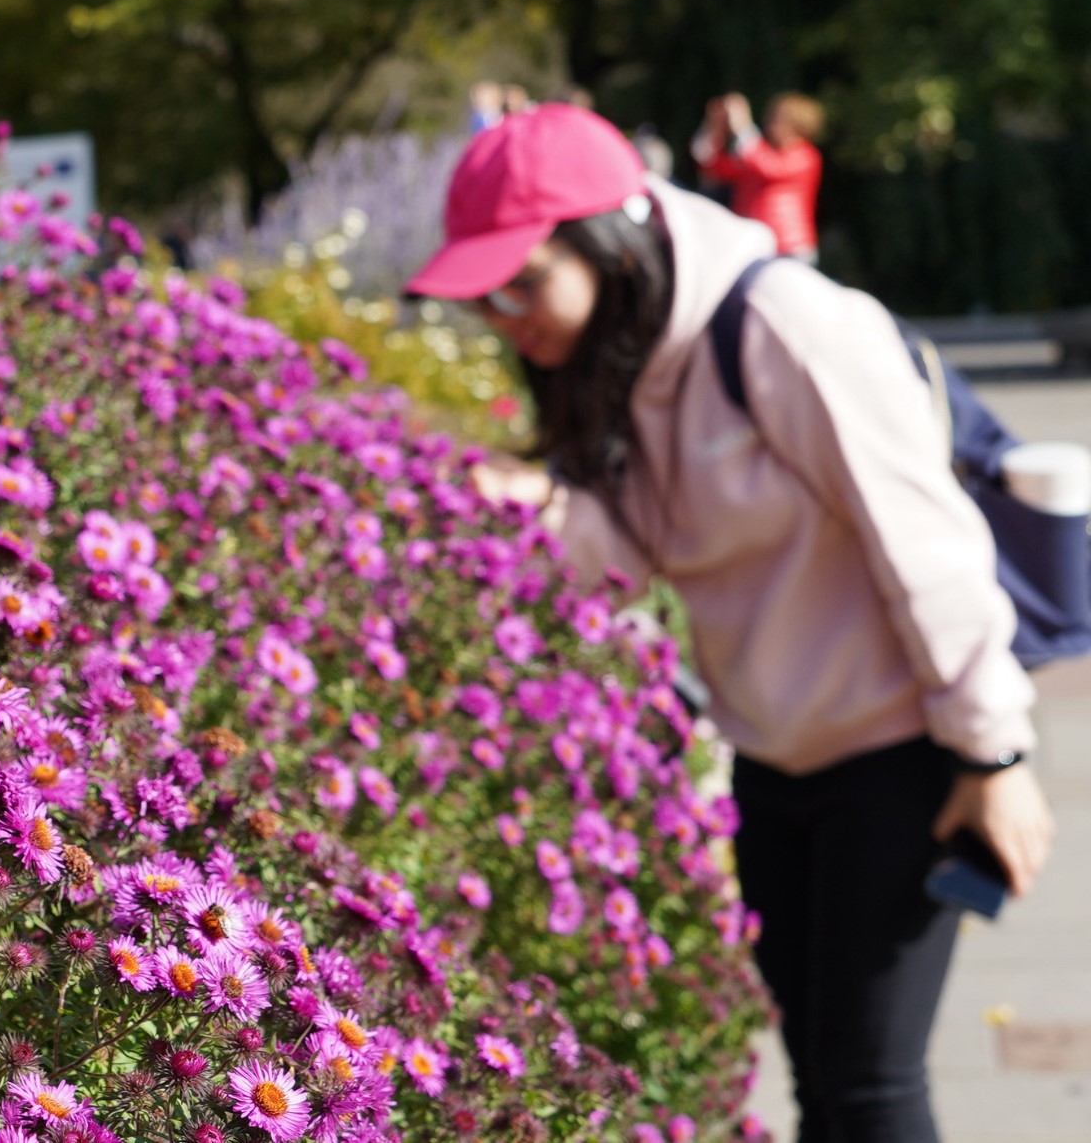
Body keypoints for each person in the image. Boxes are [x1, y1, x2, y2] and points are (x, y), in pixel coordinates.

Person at [404, 104, 1055, 1143]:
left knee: (870, 1081)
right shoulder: (618, 358)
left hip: (896, 753)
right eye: (483, 296)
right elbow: (635, 547)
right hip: (769, 759)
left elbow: (923, 543)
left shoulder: (786, 325)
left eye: (521, 282)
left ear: (610, 245)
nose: (503, 316)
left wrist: (992, 753)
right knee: (818, 1075)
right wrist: (509, 506)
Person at [695, 91, 824, 263]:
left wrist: (742, 126)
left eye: (776, 119)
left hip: (787, 247)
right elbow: (711, 164)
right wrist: (713, 126)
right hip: (753, 245)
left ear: (795, 125)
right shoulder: (757, 153)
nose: (769, 124)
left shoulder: (805, 156)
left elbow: (767, 166)